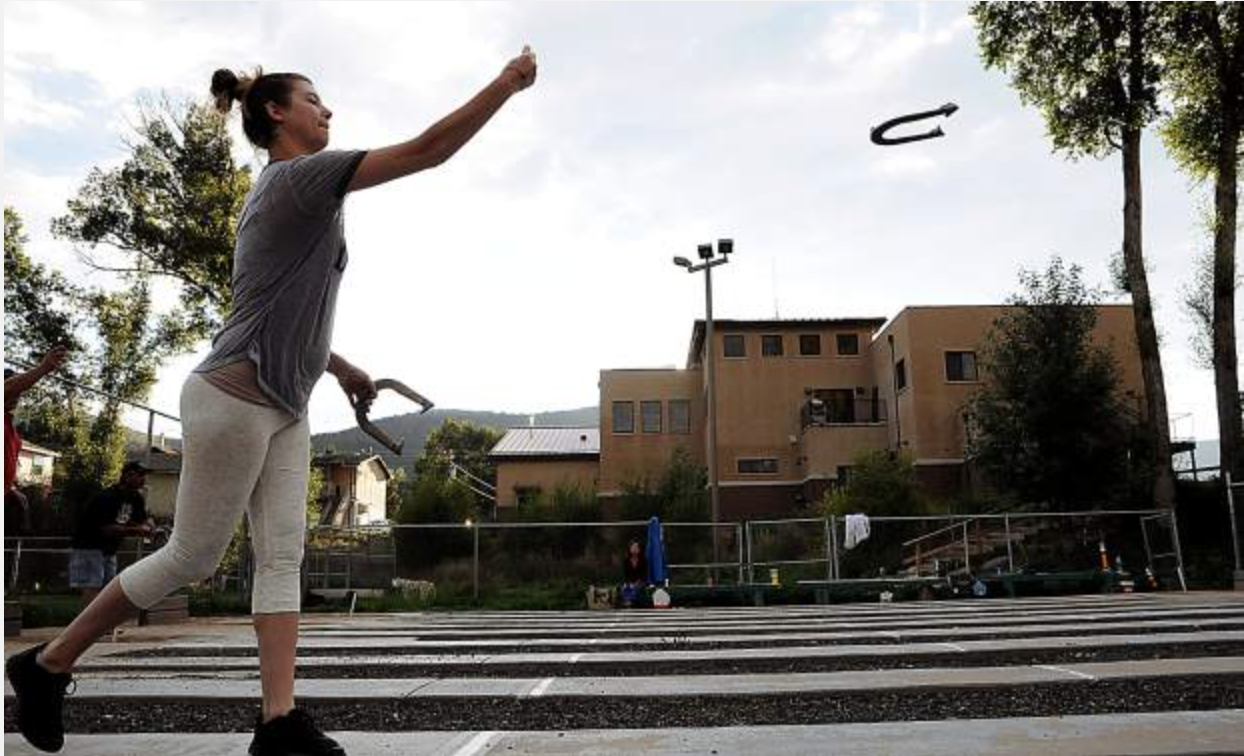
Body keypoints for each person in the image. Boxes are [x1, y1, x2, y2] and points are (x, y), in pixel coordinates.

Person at [6, 47, 538, 756]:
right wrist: (506, 82)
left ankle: (278, 721)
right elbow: (428, 151)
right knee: (192, 556)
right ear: (276, 114)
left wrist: (338, 365)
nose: (328, 109)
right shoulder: (297, 178)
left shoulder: (298, 194)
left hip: (286, 403)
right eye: (314, 99)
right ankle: (47, 664)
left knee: (283, 556)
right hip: (234, 396)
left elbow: (279, 305)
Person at [69, 461, 155, 609]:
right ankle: (90, 622)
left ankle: (103, 621)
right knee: (93, 587)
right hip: (88, 546)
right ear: (128, 476)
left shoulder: (136, 498)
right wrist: (138, 530)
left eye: (144, 476)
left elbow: (142, 518)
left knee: (108, 589)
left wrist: (150, 524)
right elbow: (107, 529)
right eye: (140, 475)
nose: (143, 479)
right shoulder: (107, 497)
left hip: (109, 550)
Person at [4, 347, 69, 538]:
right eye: (14, 390)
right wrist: (43, 368)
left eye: (19, 393)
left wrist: (10, 489)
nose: (16, 395)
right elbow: (9, 387)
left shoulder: (11, 431)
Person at [620, 540, 648, 608]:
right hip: (629, 581)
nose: (635, 549)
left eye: (636, 547)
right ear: (630, 549)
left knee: (636, 587)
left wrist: (637, 582)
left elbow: (644, 574)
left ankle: (630, 602)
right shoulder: (626, 560)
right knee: (624, 588)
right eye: (633, 547)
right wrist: (628, 583)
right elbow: (625, 574)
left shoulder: (643, 560)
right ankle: (626, 602)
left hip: (641, 581)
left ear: (639, 549)